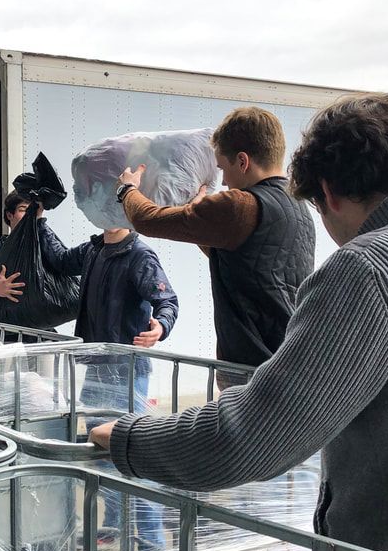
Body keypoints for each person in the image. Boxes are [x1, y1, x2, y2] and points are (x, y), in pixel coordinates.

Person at [91, 93, 388, 551]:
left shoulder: (372, 270)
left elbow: (247, 439)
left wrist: (127, 439)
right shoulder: (287, 217)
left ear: (328, 190)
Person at [115, 107, 316, 369]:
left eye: (223, 168)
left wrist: (127, 189)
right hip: (289, 357)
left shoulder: (239, 204)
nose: (223, 182)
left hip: (250, 370)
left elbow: (147, 220)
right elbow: (247, 261)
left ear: (243, 161)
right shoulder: (297, 205)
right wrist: (199, 220)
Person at [39, 220, 179, 551]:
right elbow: (59, 260)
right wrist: (40, 220)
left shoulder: (140, 256)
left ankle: (152, 543)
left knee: (130, 454)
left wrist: (161, 327)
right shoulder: (93, 250)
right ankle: (119, 525)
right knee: (103, 453)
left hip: (127, 372)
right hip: (98, 368)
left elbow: (166, 300)